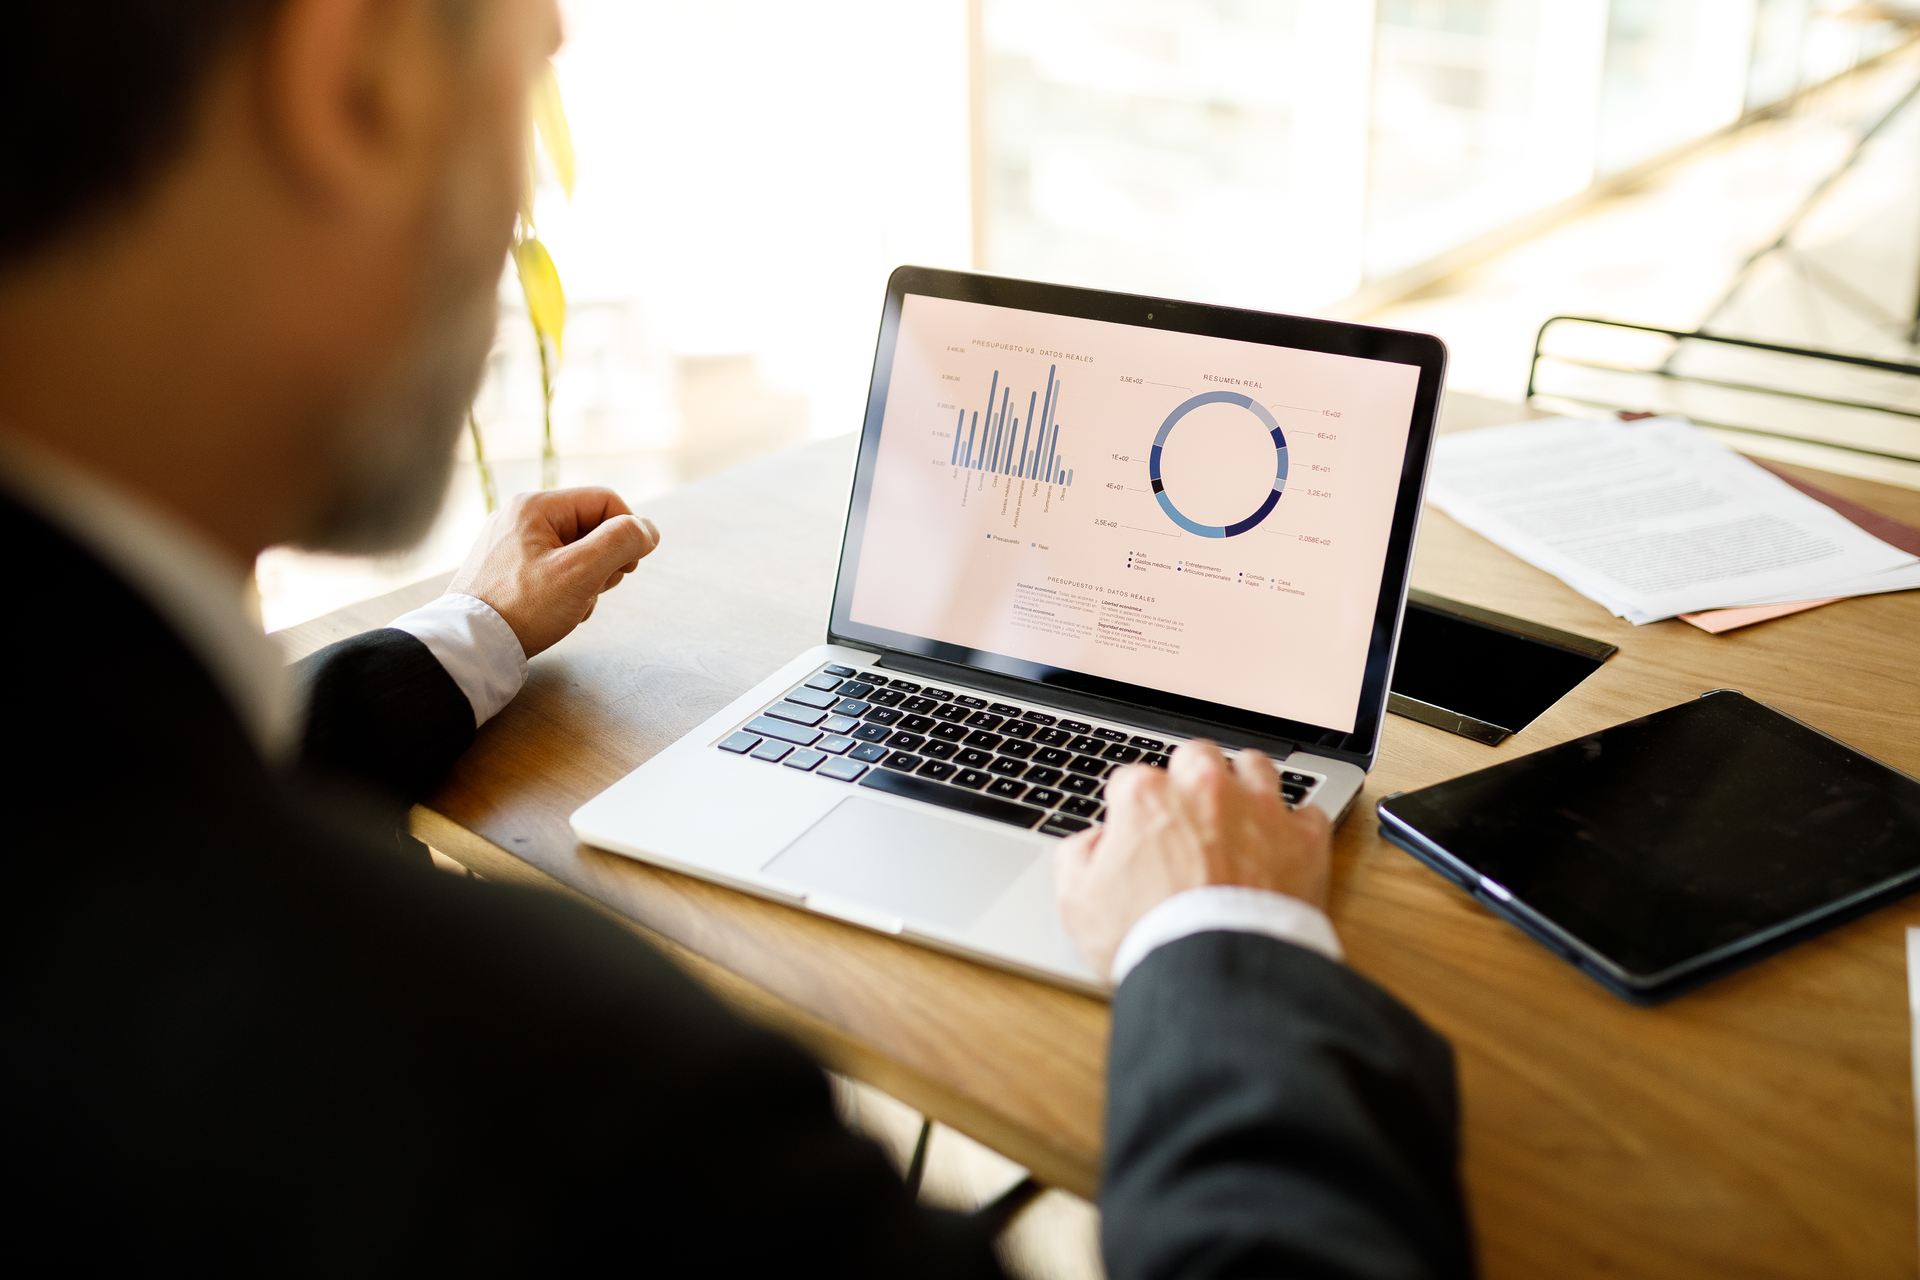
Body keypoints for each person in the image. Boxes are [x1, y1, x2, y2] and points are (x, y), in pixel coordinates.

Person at [1, 1, 1473, 1274]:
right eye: (534, 66)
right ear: (359, 78)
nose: (519, 210)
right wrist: (1224, 931)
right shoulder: (571, 1109)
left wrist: (468, 636)